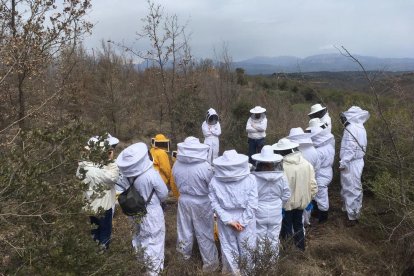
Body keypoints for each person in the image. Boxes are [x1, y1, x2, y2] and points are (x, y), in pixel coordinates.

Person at [116, 143, 168, 275]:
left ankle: (142, 264)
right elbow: (163, 194)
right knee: (154, 242)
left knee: (138, 237)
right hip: (151, 212)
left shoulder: (125, 176)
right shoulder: (151, 174)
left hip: (134, 212)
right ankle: (153, 272)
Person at [172, 137, 219, 272]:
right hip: (202, 201)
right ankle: (210, 264)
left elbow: (174, 180)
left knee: (184, 231)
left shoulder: (177, 164)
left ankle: (182, 260)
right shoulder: (205, 167)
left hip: (184, 200)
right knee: (204, 232)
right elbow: (212, 185)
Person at [209, 150, 258, 275]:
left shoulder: (214, 181)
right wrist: (242, 221)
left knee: (229, 249)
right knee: (247, 248)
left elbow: (214, 204)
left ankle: (233, 273)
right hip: (245, 218)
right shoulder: (251, 179)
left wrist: (229, 220)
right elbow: (253, 204)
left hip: (226, 219)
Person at [76, 135, 119, 250]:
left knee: (95, 231)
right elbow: (113, 177)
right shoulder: (96, 170)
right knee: (104, 234)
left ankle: (95, 255)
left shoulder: (82, 166)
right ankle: (102, 257)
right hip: (103, 208)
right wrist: (110, 161)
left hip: (90, 206)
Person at [273, 138, 317, 251]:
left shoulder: (282, 167)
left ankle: (287, 251)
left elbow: (279, 188)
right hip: (302, 203)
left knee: (286, 227)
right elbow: (313, 186)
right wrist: (307, 199)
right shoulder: (306, 164)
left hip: (286, 204)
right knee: (298, 225)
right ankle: (300, 249)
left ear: (281, 152)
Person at [251, 145, 290, 254]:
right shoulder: (282, 177)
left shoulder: (254, 178)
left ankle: (261, 265)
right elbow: (286, 194)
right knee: (273, 239)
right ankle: (272, 265)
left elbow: (251, 197)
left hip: (259, 211)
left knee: (260, 239)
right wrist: (280, 205)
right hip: (275, 211)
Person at [339, 106, 370, 227]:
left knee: (351, 187)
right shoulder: (361, 127)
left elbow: (351, 148)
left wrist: (343, 163)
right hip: (357, 161)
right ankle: (353, 211)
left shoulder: (351, 128)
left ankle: (352, 217)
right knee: (355, 186)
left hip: (351, 162)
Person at [286, 127, 320, 226]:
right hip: (309, 180)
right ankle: (306, 222)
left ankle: (297, 226)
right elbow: (317, 167)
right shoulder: (313, 150)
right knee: (307, 201)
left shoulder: (292, 152)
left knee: (297, 204)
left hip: (295, 181)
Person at [307, 119, 335, 223]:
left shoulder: (318, 151)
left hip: (321, 175)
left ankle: (323, 217)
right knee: (320, 194)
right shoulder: (329, 146)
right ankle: (318, 212)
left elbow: (316, 167)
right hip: (328, 171)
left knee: (321, 195)